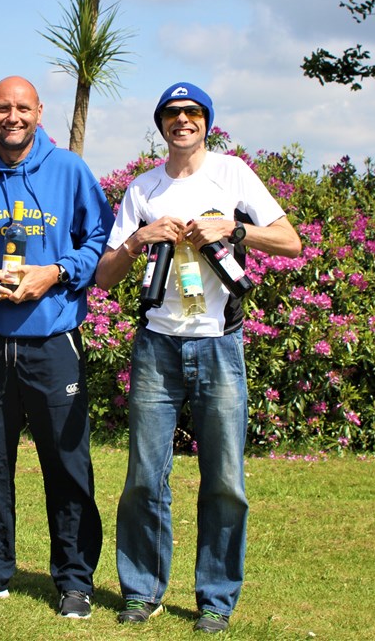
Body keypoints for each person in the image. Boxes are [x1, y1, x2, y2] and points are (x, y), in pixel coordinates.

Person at [95, 82, 301, 633]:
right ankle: (142, 591)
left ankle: (216, 598)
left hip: (220, 344)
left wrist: (234, 228)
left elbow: (291, 241)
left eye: (192, 113)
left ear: (206, 121)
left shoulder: (232, 174)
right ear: (160, 124)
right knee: (143, 476)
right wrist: (141, 238)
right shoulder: (143, 188)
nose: (182, 121)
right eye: (172, 114)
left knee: (226, 480)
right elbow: (105, 274)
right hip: (157, 346)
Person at [0, 76, 113, 619]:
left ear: (40, 111)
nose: (12, 116)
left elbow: (99, 241)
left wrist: (58, 271)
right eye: (2, 107)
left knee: (67, 464)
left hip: (52, 339)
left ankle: (74, 580)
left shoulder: (69, 170)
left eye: (23, 107)